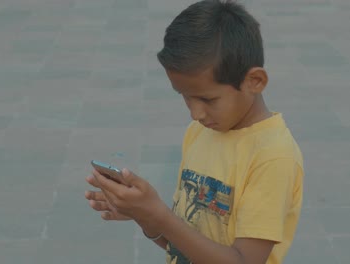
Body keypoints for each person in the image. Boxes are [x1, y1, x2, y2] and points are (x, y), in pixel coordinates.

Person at [84, 1, 304, 263]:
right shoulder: (199, 133)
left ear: (254, 81)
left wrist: (160, 215)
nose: (195, 114)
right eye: (186, 97)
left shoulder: (272, 157)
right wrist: (145, 215)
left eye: (208, 100)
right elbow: (184, 243)